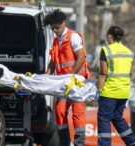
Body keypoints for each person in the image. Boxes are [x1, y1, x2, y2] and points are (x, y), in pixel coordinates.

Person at [43, 9, 91, 146]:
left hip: (76, 82)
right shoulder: (56, 41)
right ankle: (64, 143)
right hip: (63, 83)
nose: (55, 30)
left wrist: (71, 77)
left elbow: (81, 58)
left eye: (56, 27)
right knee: (59, 112)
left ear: (63, 23)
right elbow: (53, 62)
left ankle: (79, 143)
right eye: (52, 28)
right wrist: (46, 77)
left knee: (78, 113)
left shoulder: (73, 37)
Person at [97, 26, 135, 146]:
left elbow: (102, 73)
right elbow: (129, 72)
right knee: (117, 117)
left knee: (104, 119)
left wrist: (98, 91)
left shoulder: (106, 50)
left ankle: (104, 144)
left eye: (107, 35)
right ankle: (134, 142)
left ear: (110, 36)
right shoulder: (128, 52)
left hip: (110, 91)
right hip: (124, 92)